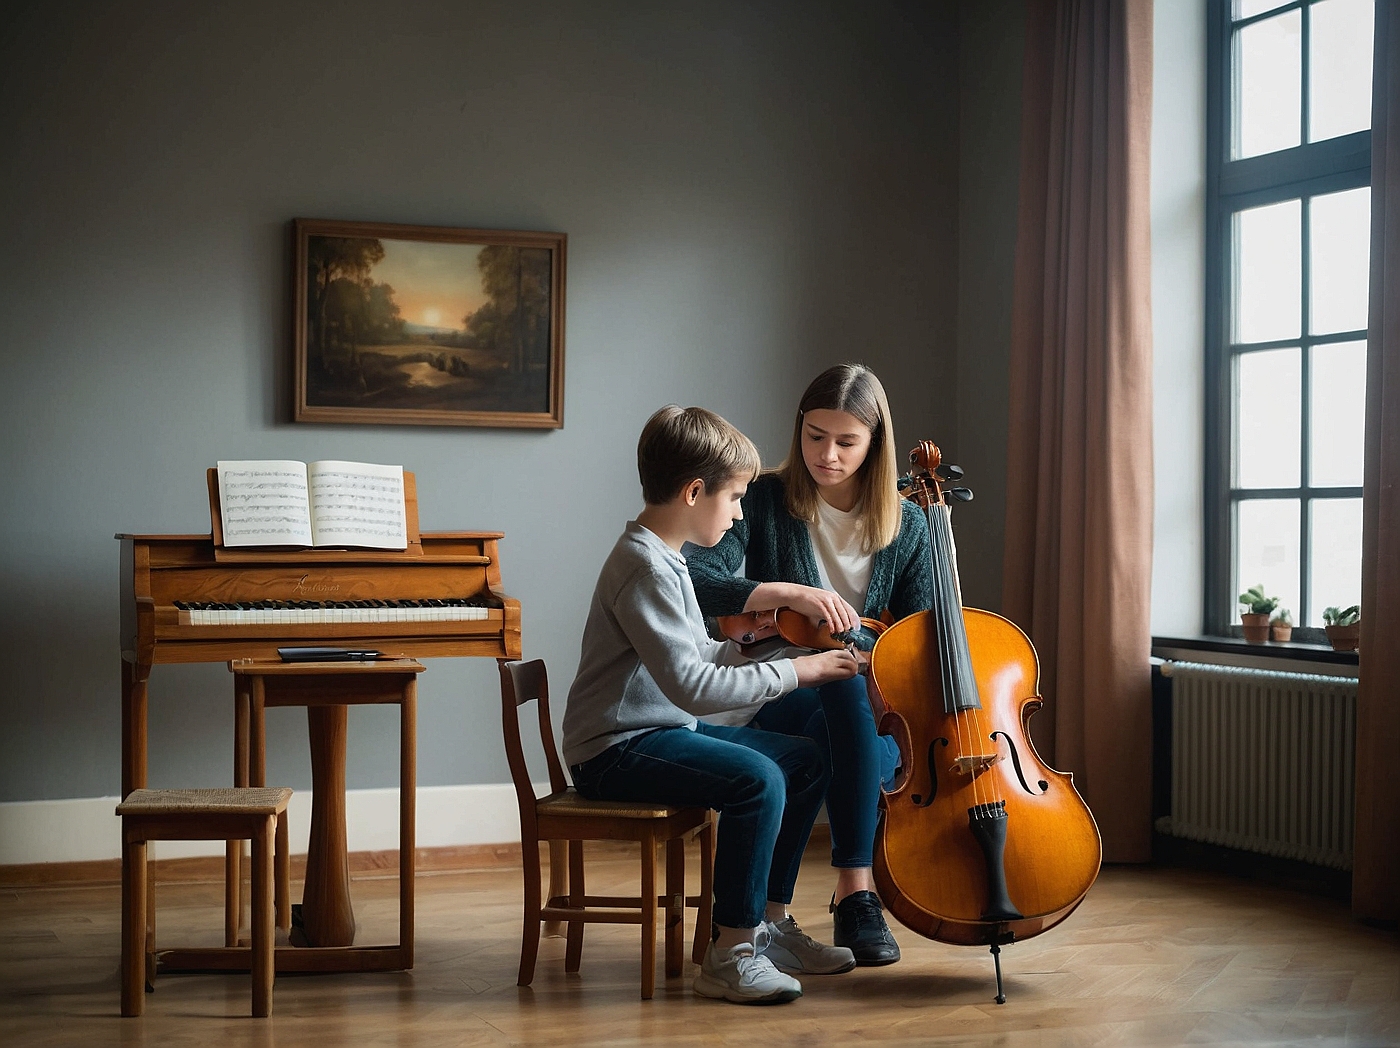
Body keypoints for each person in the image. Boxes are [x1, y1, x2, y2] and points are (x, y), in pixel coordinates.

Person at [562, 404, 863, 1005]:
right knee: (759, 779)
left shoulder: (663, 557)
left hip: (656, 730)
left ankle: (769, 925)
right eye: (735, 497)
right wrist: (797, 672)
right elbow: (693, 689)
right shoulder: (645, 568)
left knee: (803, 761)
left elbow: (697, 657)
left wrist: (764, 644)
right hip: (615, 750)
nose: (740, 512)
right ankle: (730, 954)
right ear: (694, 492)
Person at [687, 363, 934, 966]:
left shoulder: (909, 525)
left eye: (847, 441)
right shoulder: (765, 499)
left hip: (858, 701)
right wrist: (786, 595)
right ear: (798, 428)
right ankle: (856, 892)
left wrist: (856, 646)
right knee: (840, 693)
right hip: (774, 687)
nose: (827, 454)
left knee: (845, 697)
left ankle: (773, 916)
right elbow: (694, 576)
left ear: (875, 443)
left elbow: (918, 637)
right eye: (815, 436)